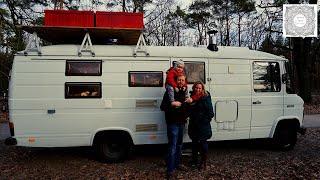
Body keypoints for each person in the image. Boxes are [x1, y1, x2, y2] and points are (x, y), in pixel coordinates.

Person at [160, 75, 191, 179]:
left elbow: (187, 107)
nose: (181, 82)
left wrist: (186, 113)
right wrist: (173, 105)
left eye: (183, 80)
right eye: (179, 80)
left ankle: (177, 164)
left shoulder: (184, 92)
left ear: (184, 81)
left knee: (179, 145)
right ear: (176, 81)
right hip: (172, 123)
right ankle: (170, 169)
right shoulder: (169, 93)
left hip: (181, 123)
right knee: (173, 146)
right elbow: (162, 107)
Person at [188, 81, 214, 170]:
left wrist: (204, 120)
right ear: (193, 88)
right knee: (194, 143)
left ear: (202, 89)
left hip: (203, 125)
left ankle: (203, 162)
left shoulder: (206, 97)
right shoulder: (191, 97)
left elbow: (211, 113)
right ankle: (194, 160)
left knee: (203, 143)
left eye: (199, 88)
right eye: (196, 88)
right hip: (193, 124)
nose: (198, 89)